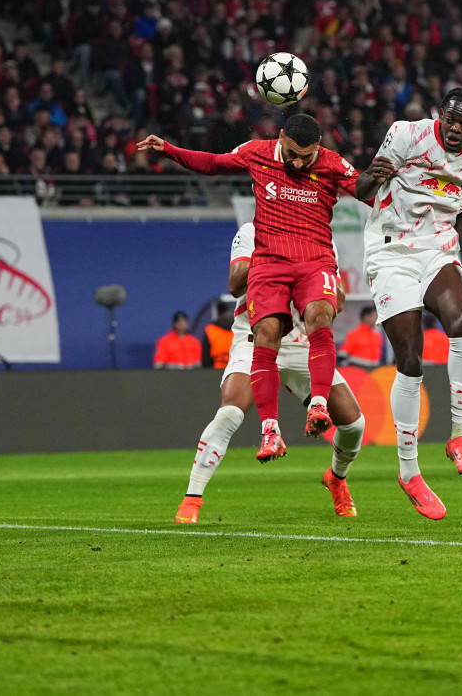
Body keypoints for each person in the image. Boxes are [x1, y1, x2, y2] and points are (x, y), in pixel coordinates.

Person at [139, 114, 376, 463]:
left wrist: (385, 179)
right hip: (270, 261)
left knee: (320, 316)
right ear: (280, 137)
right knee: (266, 331)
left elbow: (368, 194)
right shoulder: (257, 152)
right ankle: (270, 430)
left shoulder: (331, 163)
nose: (299, 162)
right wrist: (170, 150)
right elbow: (213, 164)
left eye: (307, 156)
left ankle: (318, 406)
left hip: (314, 259)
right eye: (293, 153)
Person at [354, 87, 462, 520]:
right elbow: (360, 190)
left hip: (438, 248)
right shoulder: (406, 135)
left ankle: (459, 436)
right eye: (450, 118)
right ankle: (410, 473)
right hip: (390, 251)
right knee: (410, 360)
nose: (455, 127)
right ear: (440, 114)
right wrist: (376, 174)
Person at [176, 223, 365, 523]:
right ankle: (192, 498)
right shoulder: (254, 231)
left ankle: (337, 478)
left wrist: (318, 282)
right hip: (255, 337)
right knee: (230, 412)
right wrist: (281, 263)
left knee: (355, 424)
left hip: (301, 343)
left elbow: (337, 298)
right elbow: (235, 284)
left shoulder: (321, 236)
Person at [201, 302, 235, 369]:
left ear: (218, 315)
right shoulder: (238, 328)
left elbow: (206, 358)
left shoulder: (210, 330)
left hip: (217, 371)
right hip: (235, 369)